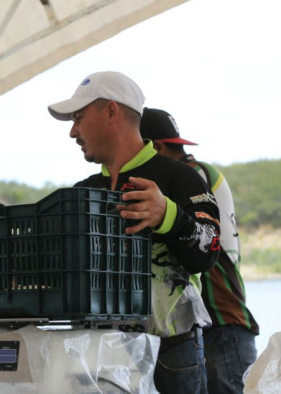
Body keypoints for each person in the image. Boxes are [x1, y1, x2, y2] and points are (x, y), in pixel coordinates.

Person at [47, 71, 221, 394]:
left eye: (79, 118)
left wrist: (167, 215)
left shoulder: (181, 177)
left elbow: (208, 251)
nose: (73, 131)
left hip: (172, 354)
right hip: (98, 354)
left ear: (112, 112)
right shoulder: (82, 193)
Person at [141, 107, 259, 394]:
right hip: (220, 327)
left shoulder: (190, 176)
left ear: (155, 147)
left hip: (222, 326)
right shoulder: (203, 172)